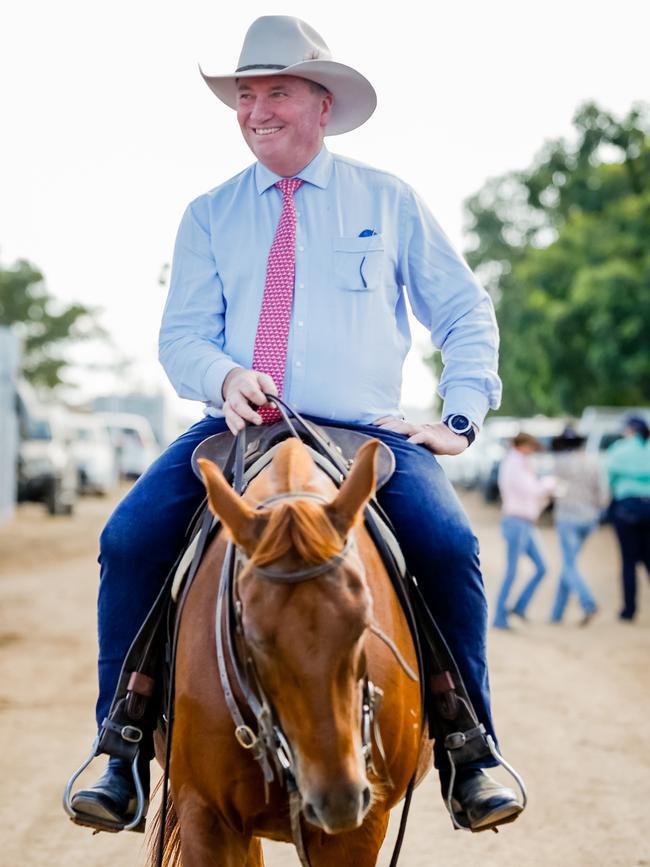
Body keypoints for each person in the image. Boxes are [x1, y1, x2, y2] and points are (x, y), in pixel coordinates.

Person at [69, 15, 523, 834]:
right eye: (246, 97)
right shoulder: (210, 213)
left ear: (321, 102)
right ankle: (123, 740)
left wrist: (458, 414)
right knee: (129, 539)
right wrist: (225, 373)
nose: (256, 110)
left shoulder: (388, 201)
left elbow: (463, 310)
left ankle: (468, 744)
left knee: (450, 546)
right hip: (239, 429)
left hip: (363, 435)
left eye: (275, 92)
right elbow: (182, 335)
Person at [493, 433, 554, 629]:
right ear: (522, 445)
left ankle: (519, 607)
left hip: (526, 522)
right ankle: (500, 617)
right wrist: (549, 484)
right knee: (511, 572)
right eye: (531, 446)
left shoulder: (522, 463)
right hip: (516, 522)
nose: (533, 450)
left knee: (542, 568)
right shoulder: (514, 464)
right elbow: (531, 490)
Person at [549, 428, 607, 625]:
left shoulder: (560, 463)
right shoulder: (594, 461)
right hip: (589, 518)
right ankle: (556, 614)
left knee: (569, 565)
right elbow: (603, 495)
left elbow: (554, 490)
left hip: (567, 517)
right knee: (570, 564)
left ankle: (588, 602)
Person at [606, 416, 650, 621]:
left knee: (628, 561)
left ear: (630, 430)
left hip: (627, 509)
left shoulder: (619, 449)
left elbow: (609, 479)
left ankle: (629, 610)